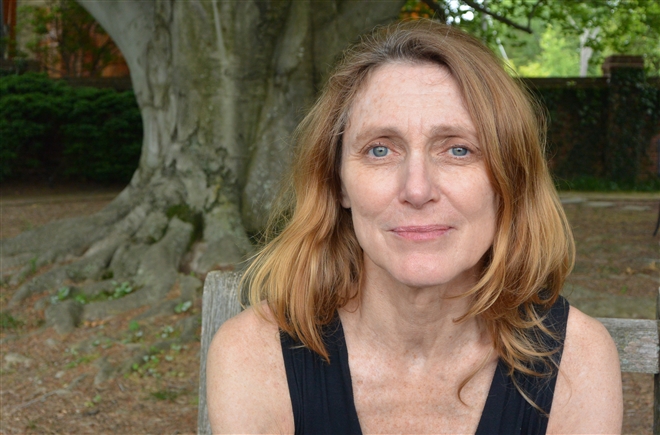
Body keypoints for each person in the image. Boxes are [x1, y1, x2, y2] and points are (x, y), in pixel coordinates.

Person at [206, 20, 623, 434]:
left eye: (458, 150)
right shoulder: (256, 356)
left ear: (508, 180)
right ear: (338, 182)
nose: (417, 189)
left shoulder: (577, 362)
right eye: (380, 150)